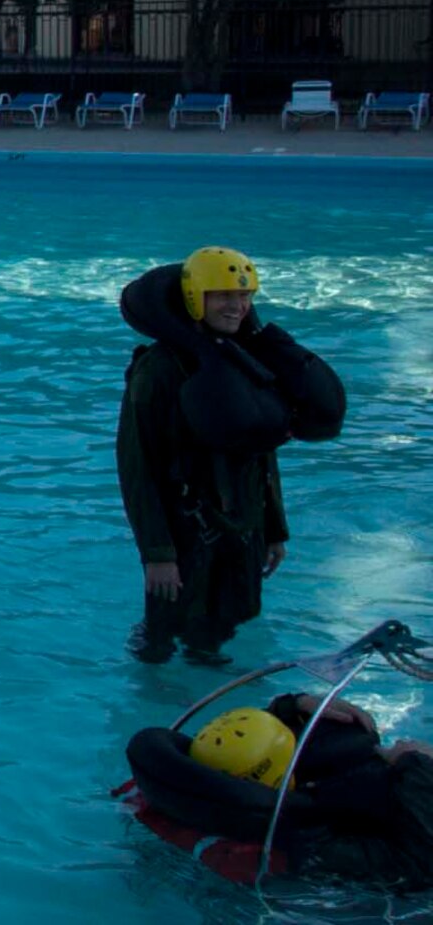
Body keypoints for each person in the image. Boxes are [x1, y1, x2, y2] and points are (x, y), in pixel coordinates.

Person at [117, 246, 341, 665]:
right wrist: (157, 554)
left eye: (245, 296)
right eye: (222, 295)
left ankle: (215, 697)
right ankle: (155, 707)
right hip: (185, 532)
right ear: (193, 297)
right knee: (163, 638)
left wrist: (275, 528)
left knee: (227, 628)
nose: (237, 306)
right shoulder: (159, 370)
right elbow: (137, 466)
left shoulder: (246, 359)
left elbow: (262, 446)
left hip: (244, 527)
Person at [190, 695, 433, 888]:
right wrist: (416, 764)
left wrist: (294, 707)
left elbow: (247, 741)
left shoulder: (273, 786)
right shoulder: (314, 842)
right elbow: (418, 862)